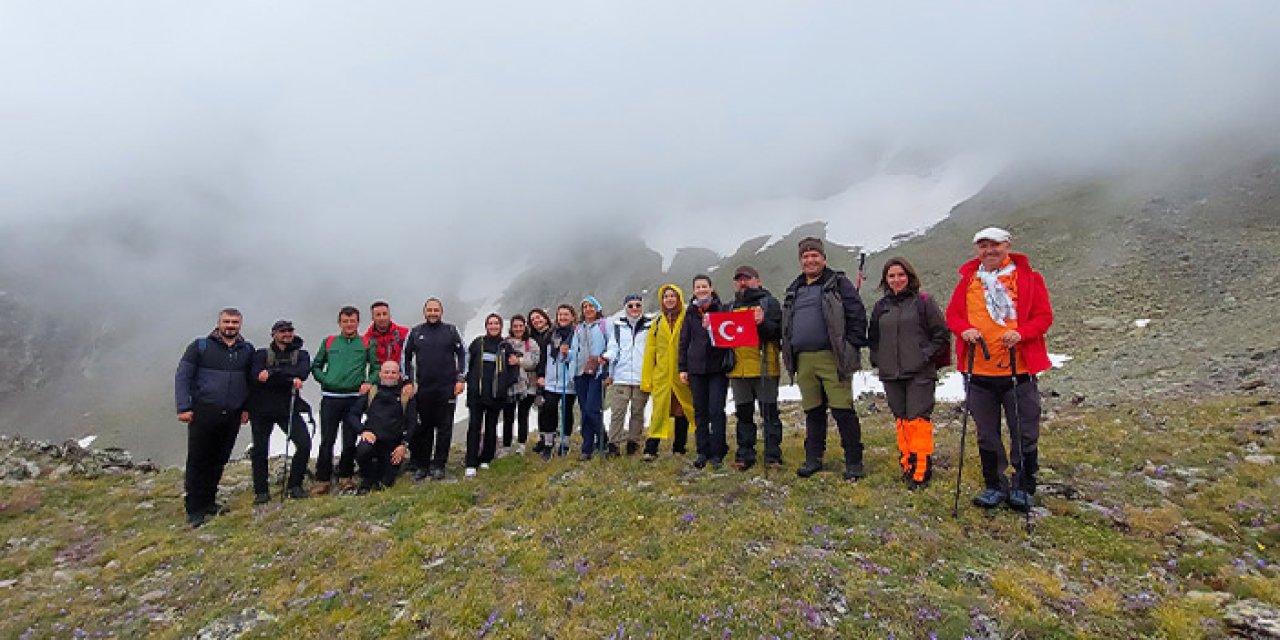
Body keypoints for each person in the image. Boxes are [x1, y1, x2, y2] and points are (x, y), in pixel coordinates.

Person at [945, 227, 1054, 512]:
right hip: (978, 371)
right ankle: (994, 485)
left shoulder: (1028, 278)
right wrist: (964, 329)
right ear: (976, 250)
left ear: (1007, 246)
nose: (989, 251)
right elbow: (953, 316)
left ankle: (1023, 485)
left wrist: (1023, 333)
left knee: (1024, 430)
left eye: (994, 245)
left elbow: (1044, 317)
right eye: (983, 246)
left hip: (1018, 370)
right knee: (986, 433)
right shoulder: (968, 281)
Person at [781, 237, 869, 480]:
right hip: (803, 360)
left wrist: (850, 346)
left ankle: (853, 461)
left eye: (814, 255)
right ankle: (813, 459)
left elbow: (857, 314)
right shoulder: (794, 289)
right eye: (805, 256)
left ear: (823, 258)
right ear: (801, 261)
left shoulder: (838, 283)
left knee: (843, 410)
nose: (810, 260)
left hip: (833, 357)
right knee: (813, 411)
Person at [868, 257, 949, 489]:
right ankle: (907, 463)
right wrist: (878, 359)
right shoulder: (880, 307)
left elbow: (941, 335)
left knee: (918, 419)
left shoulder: (924, 302)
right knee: (901, 418)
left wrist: (925, 355)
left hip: (919, 373)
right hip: (890, 373)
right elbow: (873, 338)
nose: (896, 280)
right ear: (885, 280)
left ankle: (922, 468)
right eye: (891, 276)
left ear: (910, 277)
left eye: (901, 275)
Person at [174, 308, 254, 528]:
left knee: (219, 459)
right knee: (198, 459)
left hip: (232, 414)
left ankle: (209, 501)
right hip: (204, 411)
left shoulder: (246, 350)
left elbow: (250, 381)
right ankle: (194, 508)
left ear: (240, 325)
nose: (230, 326)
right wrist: (183, 406)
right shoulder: (200, 347)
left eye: (235, 322)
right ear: (219, 323)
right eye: (227, 321)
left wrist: (247, 408)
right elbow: (183, 376)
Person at [310, 306, 379, 495]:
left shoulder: (366, 343)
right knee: (327, 440)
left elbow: (375, 368)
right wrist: (326, 380)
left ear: (358, 322)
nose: (349, 324)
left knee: (349, 440)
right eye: (345, 321)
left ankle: (345, 477)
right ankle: (322, 479)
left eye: (353, 321)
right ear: (339, 323)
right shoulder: (329, 342)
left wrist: (368, 382)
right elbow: (315, 366)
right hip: (330, 398)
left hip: (354, 399)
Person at [726, 266, 784, 472]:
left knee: (769, 414)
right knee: (743, 415)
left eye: (747, 279)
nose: (743, 283)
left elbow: (778, 332)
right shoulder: (729, 307)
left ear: (757, 281)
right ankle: (744, 455)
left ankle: (773, 456)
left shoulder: (770, 303)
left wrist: (763, 322)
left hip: (765, 368)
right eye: (739, 279)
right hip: (738, 371)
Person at [247, 320, 312, 503]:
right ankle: (261, 492)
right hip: (261, 410)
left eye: (290, 330)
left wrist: (271, 374)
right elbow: (255, 376)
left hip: (288, 408)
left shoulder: (302, 354)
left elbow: (303, 372)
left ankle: (295, 485)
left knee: (304, 443)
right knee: (260, 450)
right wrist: (289, 378)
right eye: (282, 331)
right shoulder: (260, 354)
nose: (287, 334)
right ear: (274, 334)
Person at [401, 298, 467, 481]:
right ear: (424, 312)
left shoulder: (451, 331)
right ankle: (422, 465)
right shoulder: (416, 332)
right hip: (424, 388)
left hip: (447, 388)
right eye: (429, 310)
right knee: (424, 428)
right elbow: (404, 357)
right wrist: (407, 381)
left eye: (436, 310)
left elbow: (463, 354)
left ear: (441, 312)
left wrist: (460, 378)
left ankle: (439, 464)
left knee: (445, 428)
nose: (432, 313)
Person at [679, 275, 733, 470]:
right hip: (695, 369)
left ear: (711, 288)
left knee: (716, 410)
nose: (701, 289)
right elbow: (684, 341)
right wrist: (682, 368)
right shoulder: (691, 312)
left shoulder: (722, 308)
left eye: (704, 286)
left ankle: (718, 451)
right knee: (700, 412)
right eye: (698, 287)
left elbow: (729, 335)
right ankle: (703, 451)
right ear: (693, 290)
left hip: (717, 368)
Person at [640, 284, 695, 460]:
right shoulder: (657, 323)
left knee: (683, 410)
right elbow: (650, 352)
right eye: (666, 297)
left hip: (682, 374)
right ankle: (650, 449)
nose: (669, 299)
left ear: (679, 298)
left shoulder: (688, 318)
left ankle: (679, 447)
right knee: (659, 411)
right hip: (662, 375)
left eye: (673, 296)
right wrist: (647, 379)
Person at [465, 313, 519, 478]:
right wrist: (470, 383)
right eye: (491, 323)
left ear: (501, 326)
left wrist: (504, 386)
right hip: (477, 394)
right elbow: (467, 364)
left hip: (496, 395)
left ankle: (486, 458)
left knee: (491, 426)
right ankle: (471, 462)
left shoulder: (505, 346)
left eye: (496, 323)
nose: (493, 326)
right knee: (474, 427)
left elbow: (513, 369)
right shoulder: (478, 343)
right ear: (486, 326)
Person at [353, 361, 416, 494]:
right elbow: (352, 415)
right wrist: (363, 431)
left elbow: (412, 423)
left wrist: (404, 445)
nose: (389, 375)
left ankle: (380, 476)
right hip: (372, 440)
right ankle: (367, 479)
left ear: (399, 375)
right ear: (380, 374)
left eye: (393, 373)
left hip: (393, 445)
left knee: (386, 482)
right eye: (386, 372)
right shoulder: (372, 392)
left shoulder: (405, 395)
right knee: (363, 451)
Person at [603, 294, 651, 456]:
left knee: (637, 412)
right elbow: (613, 347)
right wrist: (607, 357)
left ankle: (633, 443)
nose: (634, 308)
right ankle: (613, 444)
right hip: (621, 376)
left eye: (638, 305)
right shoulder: (617, 326)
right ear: (625, 308)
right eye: (630, 306)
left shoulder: (650, 326)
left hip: (641, 376)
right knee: (618, 412)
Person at [535, 304, 579, 460]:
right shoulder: (550, 335)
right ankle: (548, 443)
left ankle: (565, 443)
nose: (563, 317)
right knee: (549, 409)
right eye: (560, 314)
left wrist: (570, 353)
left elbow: (580, 354)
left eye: (566, 314)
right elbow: (543, 357)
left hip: (568, 381)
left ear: (573, 317)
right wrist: (541, 375)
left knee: (567, 411)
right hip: (551, 381)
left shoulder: (577, 334)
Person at [572, 296, 610, 461]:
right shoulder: (578, 328)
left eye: (591, 306)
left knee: (592, 408)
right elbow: (575, 349)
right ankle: (587, 447)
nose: (588, 309)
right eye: (585, 307)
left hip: (597, 371)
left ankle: (603, 441)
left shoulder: (604, 325)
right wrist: (569, 359)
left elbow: (612, 345)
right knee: (584, 411)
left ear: (597, 308)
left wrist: (607, 366)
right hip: (580, 373)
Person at [501, 314, 541, 455]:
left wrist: (519, 362)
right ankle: (506, 446)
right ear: (511, 328)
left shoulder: (532, 343)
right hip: (509, 385)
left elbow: (534, 362)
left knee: (523, 415)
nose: (518, 329)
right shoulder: (505, 343)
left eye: (520, 326)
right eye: (515, 326)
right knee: (508, 416)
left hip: (529, 385)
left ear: (525, 327)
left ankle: (521, 445)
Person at [527, 308, 555, 456]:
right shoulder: (532, 337)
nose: (537, 321)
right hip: (536, 378)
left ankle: (550, 441)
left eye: (539, 317)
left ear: (545, 318)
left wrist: (543, 375)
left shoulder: (553, 333)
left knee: (550, 407)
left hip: (550, 376)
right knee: (541, 407)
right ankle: (543, 438)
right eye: (533, 320)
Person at [364, 300, 410, 367]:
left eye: (384, 314)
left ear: (390, 315)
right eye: (378, 315)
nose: (382, 318)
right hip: (378, 375)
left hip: (400, 375)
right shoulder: (366, 339)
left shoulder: (405, 334)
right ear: (372, 317)